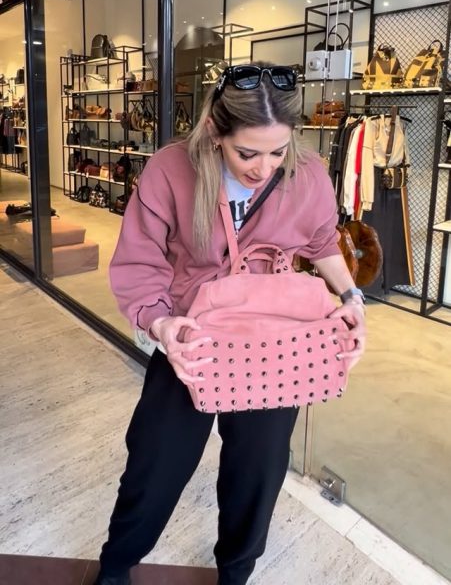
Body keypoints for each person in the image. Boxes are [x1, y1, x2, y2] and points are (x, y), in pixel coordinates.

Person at [95, 63, 366, 585]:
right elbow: (141, 262)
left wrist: (352, 298)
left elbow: (321, 243)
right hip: (192, 337)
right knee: (156, 461)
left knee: (258, 470)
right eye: (247, 153)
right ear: (215, 131)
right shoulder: (171, 170)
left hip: (276, 340)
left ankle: (235, 573)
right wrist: (160, 325)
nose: (264, 168)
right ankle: (117, 564)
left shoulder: (307, 173)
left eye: (278, 151)